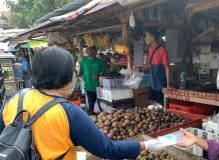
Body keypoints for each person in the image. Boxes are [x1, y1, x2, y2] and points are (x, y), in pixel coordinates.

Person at [0, 46, 163, 160]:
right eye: (73, 72)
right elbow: (108, 149)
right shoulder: (68, 112)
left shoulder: (16, 98)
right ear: (67, 76)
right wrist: (148, 144)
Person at [144, 28, 171, 106]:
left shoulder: (162, 50)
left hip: (160, 83)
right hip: (151, 82)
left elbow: (167, 67)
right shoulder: (150, 49)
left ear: (152, 38)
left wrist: (168, 84)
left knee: (161, 105)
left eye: (146, 36)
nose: (145, 39)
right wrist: (144, 68)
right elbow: (150, 65)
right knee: (152, 104)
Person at [78, 45, 106, 115]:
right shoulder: (84, 60)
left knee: (100, 103)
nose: (86, 51)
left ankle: (98, 117)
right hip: (88, 85)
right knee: (91, 103)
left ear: (94, 51)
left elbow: (104, 74)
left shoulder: (100, 62)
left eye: (88, 50)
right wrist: (76, 78)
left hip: (98, 87)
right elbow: (80, 72)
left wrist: (99, 75)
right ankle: (91, 117)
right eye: (86, 50)